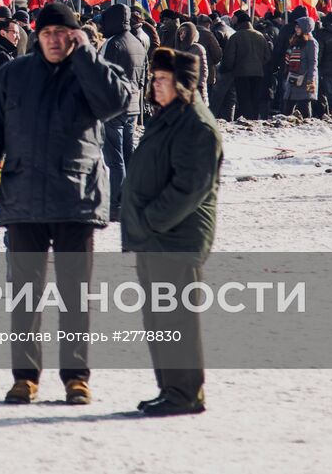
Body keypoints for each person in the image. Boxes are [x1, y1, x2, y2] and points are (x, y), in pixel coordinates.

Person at [0, 1, 134, 406]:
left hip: (77, 199)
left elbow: (117, 104)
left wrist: (87, 57)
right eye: (47, 34)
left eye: (63, 33)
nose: (55, 41)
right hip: (24, 198)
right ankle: (25, 377)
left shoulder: (91, 71)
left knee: (75, 296)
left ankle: (77, 377)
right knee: (26, 295)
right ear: (35, 37)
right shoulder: (12, 75)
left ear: (75, 35)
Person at [122, 47, 223, 416]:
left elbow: (190, 188)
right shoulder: (170, 117)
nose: (155, 85)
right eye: (154, 79)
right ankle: (171, 388)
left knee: (176, 317)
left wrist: (150, 219)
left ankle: (185, 392)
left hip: (175, 238)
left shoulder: (196, 124)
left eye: (163, 80)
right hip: (157, 238)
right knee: (158, 318)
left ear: (183, 84)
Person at [96, 4, 147, 220]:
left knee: (115, 159)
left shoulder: (112, 43)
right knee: (128, 155)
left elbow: (100, 76)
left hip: (113, 108)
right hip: (133, 105)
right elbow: (144, 77)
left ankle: (116, 204)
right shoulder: (138, 42)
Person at [220, 10, 272, 120]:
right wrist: (258, 64)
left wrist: (229, 68)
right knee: (255, 98)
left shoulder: (236, 36)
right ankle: (254, 119)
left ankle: (247, 119)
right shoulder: (260, 36)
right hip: (258, 73)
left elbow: (229, 57)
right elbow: (267, 56)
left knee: (244, 99)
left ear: (239, 23)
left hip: (241, 73)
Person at [283, 17, 319, 117]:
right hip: (293, 78)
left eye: (299, 27)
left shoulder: (311, 42)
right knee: (288, 107)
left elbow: (313, 62)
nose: (296, 29)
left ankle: (307, 128)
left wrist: (310, 80)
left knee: (304, 106)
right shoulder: (295, 40)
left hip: (304, 79)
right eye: (296, 26)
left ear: (305, 28)